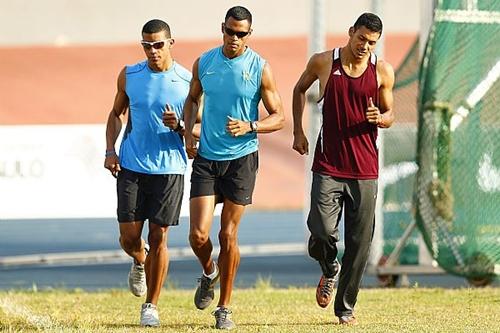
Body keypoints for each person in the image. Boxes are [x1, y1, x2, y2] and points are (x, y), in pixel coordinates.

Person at [182, 6, 284, 330]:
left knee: (228, 235)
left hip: (241, 159)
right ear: (222, 29)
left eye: (241, 34)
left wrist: (250, 125)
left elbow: (279, 116)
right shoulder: (205, 62)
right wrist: (187, 134)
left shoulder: (259, 68)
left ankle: (224, 307)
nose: (234, 39)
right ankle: (209, 271)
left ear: (249, 35)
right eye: (230, 31)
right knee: (198, 235)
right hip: (208, 158)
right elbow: (191, 100)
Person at [292, 12, 395, 326]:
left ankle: (345, 307)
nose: (365, 46)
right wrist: (298, 131)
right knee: (321, 231)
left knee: (360, 244)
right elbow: (299, 89)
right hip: (328, 166)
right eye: (361, 38)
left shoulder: (382, 71)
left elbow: (390, 114)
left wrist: (382, 117)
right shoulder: (324, 62)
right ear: (351, 33)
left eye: (372, 42)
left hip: (365, 170)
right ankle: (329, 269)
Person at [104, 19, 191, 327]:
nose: (153, 51)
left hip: (170, 168)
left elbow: (196, 131)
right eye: (147, 45)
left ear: (170, 44)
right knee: (129, 237)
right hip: (131, 164)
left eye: (158, 45)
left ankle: (151, 305)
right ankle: (139, 261)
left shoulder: (187, 80)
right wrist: (110, 150)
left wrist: (178, 126)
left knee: (159, 237)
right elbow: (116, 114)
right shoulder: (130, 75)